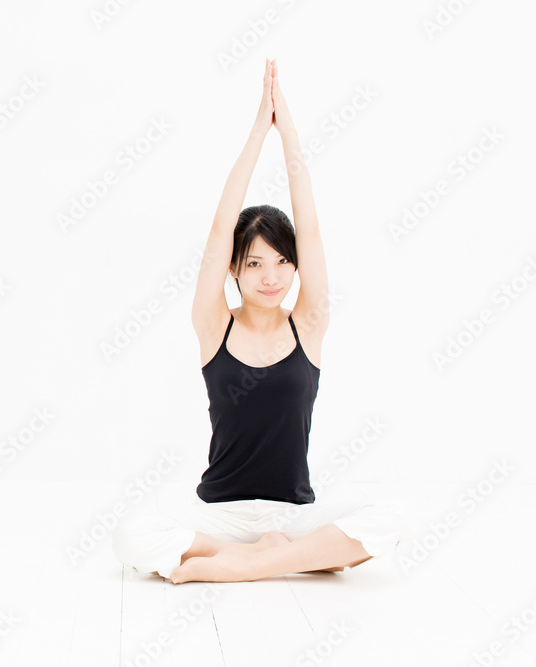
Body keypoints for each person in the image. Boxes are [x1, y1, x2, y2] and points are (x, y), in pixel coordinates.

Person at [110, 58, 410, 583]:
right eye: (254, 263)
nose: (271, 276)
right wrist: (257, 133)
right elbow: (221, 227)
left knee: (392, 517)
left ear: (294, 266)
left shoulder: (309, 324)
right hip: (219, 515)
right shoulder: (213, 325)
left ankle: (241, 566)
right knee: (129, 533)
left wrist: (290, 134)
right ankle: (279, 560)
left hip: (293, 515)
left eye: (281, 262)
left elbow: (311, 230)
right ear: (233, 267)